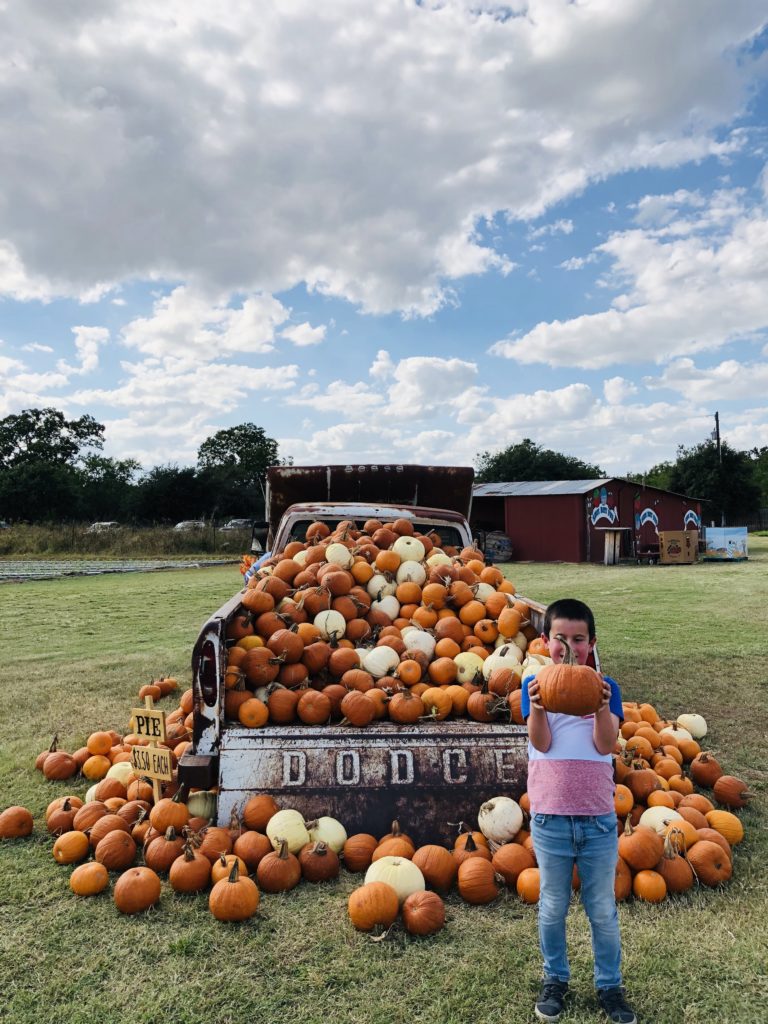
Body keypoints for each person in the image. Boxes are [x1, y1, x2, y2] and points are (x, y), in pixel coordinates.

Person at [522, 598, 637, 1024]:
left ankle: (610, 985)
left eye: (578, 639)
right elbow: (542, 743)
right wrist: (537, 707)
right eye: (560, 638)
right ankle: (555, 979)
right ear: (545, 641)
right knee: (552, 906)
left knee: (602, 909)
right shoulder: (534, 685)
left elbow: (606, 744)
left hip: (597, 821)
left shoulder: (607, 688)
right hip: (550, 819)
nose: (569, 647)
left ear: (592, 643)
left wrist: (602, 706)